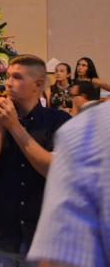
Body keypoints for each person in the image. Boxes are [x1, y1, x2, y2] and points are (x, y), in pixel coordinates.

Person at [0, 55, 71, 266]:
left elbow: (56, 172)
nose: (8, 83)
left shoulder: (58, 122)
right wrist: (0, 128)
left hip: (42, 238)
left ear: (38, 84)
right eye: (7, 76)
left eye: (17, 77)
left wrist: (14, 127)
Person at [26, 102, 110, 267]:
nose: (9, 84)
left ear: (38, 83)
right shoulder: (88, 129)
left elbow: (61, 257)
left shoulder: (88, 130)